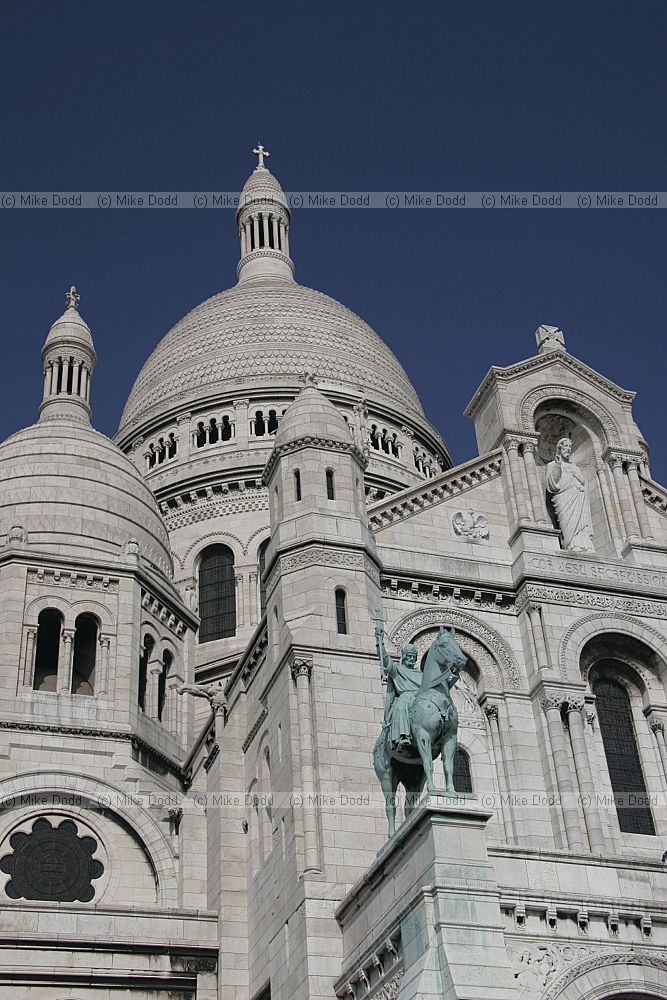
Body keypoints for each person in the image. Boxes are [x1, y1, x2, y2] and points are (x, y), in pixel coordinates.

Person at [375, 634, 424, 751]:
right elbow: (385, 659)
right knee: (402, 705)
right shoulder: (398, 670)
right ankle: (403, 736)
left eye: (413, 657)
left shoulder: (422, 674)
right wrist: (380, 642)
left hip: (420, 698)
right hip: (406, 696)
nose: (411, 659)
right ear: (404, 657)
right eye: (409, 656)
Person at [546, 437, 594, 553]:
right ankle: (571, 544)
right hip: (563, 497)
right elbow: (552, 484)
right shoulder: (552, 464)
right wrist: (558, 465)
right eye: (565, 447)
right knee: (567, 521)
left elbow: (583, 481)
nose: (568, 449)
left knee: (581, 522)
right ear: (559, 448)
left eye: (570, 447)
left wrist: (576, 476)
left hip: (578, 496)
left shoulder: (574, 467)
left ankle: (586, 546)